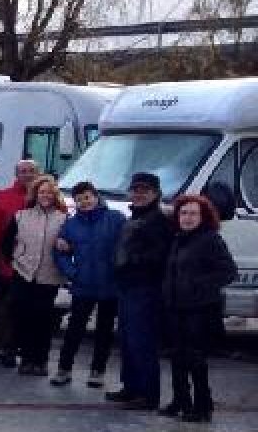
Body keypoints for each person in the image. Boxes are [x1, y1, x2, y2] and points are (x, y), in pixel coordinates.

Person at [159, 195, 237, 423]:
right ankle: (180, 401)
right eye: (183, 213)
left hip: (198, 309)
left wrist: (199, 286)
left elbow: (228, 271)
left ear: (203, 217)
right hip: (175, 306)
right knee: (177, 356)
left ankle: (203, 407)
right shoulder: (177, 239)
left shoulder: (210, 239)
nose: (187, 218)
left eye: (193, 213)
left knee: (195, 358)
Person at [105, 172, 175, 411]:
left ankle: (148, 395)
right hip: (127, 288)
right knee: (127, 341)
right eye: (135, 190)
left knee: (142, 342)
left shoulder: (159, 221)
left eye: (145, 190)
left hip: (146, 290)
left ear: (156, 194)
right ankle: (131, 387)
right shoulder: (134, 217)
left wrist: (131, 260)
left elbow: (160, 256)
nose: (139, 194)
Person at [51, 181, 125, 388]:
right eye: (79, 199)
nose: (84, 202)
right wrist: (72, 272)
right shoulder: (71, 224)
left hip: (110, 285)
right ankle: (64, 369)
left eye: (88, 197)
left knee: (105, 329)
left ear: (96, 197)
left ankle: (97, 371)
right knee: (75, 328)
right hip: (84, 285)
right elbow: (60, 253)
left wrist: (120, 270)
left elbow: (127, 246)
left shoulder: (115, 219)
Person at [3, 175, 68, 377]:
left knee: (43, 320)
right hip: (23, 274)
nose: (45, 195)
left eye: (49, 192)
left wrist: (67, 247)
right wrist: (16, 259)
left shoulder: (63, 219)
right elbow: (5, 244)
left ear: (55, 194)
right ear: (35, 194)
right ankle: (26, 359)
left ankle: (40, 361)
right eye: (42, 192)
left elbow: (73, 246)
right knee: (23, 317)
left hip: (49, 277)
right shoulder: (21, 216)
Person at [0, 159, 39, 366]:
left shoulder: (46, 197)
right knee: (5, 309)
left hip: (37, 267)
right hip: (8, 265)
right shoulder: (3, 197)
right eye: (23, 171)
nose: (27, 175)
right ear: (16, 174)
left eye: (31, 171)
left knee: (31, 310)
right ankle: (4, 347)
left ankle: (26, 347)